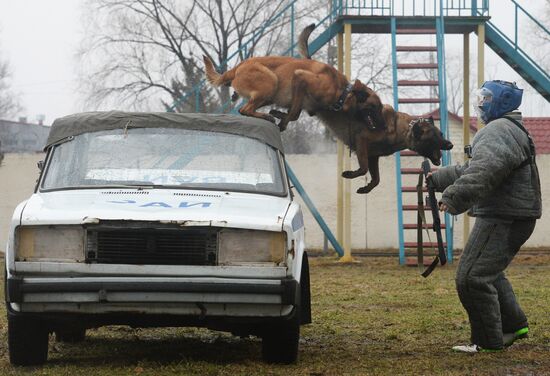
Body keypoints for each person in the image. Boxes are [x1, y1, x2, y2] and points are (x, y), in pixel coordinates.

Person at [428, 80, 542, 353]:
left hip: (504, 216)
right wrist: (440, 178)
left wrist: (453, 197)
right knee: (488, 272)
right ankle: (514, 325)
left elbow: (485, 171)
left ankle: (488, 341)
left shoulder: (499, 130)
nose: (480, 103)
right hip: (512, 215)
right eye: (480, 97)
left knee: (471, 278)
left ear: (501, 101)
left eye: (486, 98)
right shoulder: (506, 129)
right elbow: (475, 167)